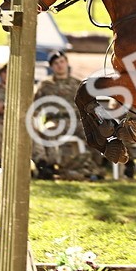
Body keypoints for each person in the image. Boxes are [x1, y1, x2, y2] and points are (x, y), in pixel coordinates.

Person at [31, 51, 104, 181]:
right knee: (48, 131)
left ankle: (93, 169)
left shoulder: (77, 84)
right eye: (56, 63)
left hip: (76, 121)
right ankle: (50, 166)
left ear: (66, 63)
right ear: (51, 67)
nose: (60, 65)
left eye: (62, 62)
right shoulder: (45, 85)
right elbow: (36, 106)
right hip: (56, 121)